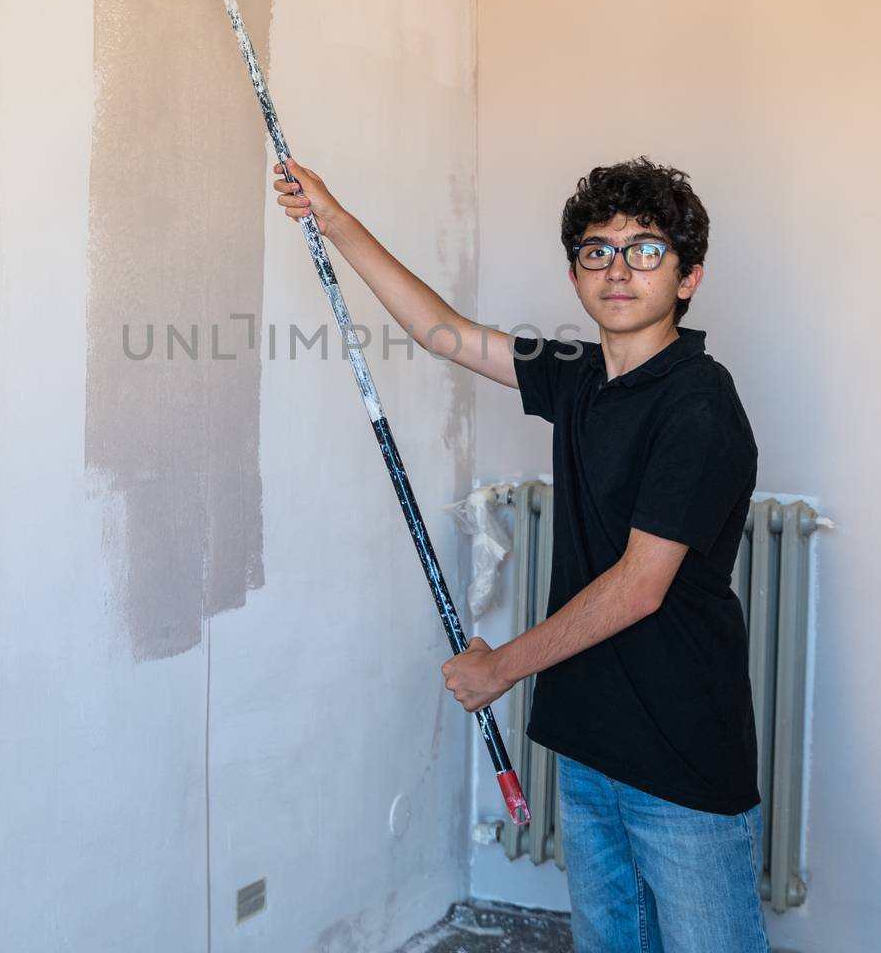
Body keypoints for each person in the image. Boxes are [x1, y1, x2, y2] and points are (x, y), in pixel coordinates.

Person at [273, 155, 769, 953]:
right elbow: (442, 333)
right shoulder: (579, 379)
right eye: (596, 250)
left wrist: (499, 667)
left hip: (681, 756)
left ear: (688, 277)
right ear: (575, 273)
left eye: (645, 249)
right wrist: (333, 219)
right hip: (591, 741)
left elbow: (640, 587)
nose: (617, 268)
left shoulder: (699, 405)